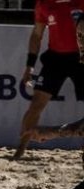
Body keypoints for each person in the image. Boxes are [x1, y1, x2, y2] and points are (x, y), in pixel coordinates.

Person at [14, 0, 84, 159]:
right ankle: (20, 151)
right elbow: (37, 35)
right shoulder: (44, 3)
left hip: (80, 58)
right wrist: (30, 66)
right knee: (36, 104)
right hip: (55, 59)